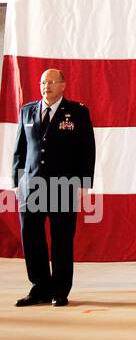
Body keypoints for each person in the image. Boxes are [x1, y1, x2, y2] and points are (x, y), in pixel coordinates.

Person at [12, 69, 95, 307]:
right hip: (32, 185)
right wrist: (17, 180)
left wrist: (84, 183)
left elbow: (87, 150)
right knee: (32, 238)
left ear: (63, 85)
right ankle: (40, 287)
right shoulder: (27, 110)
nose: (45, 86)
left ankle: (60, 289)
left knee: (61, 238)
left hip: (64, 185)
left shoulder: (77, 112)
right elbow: (20, 149)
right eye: (42, 82)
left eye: (51, 82)